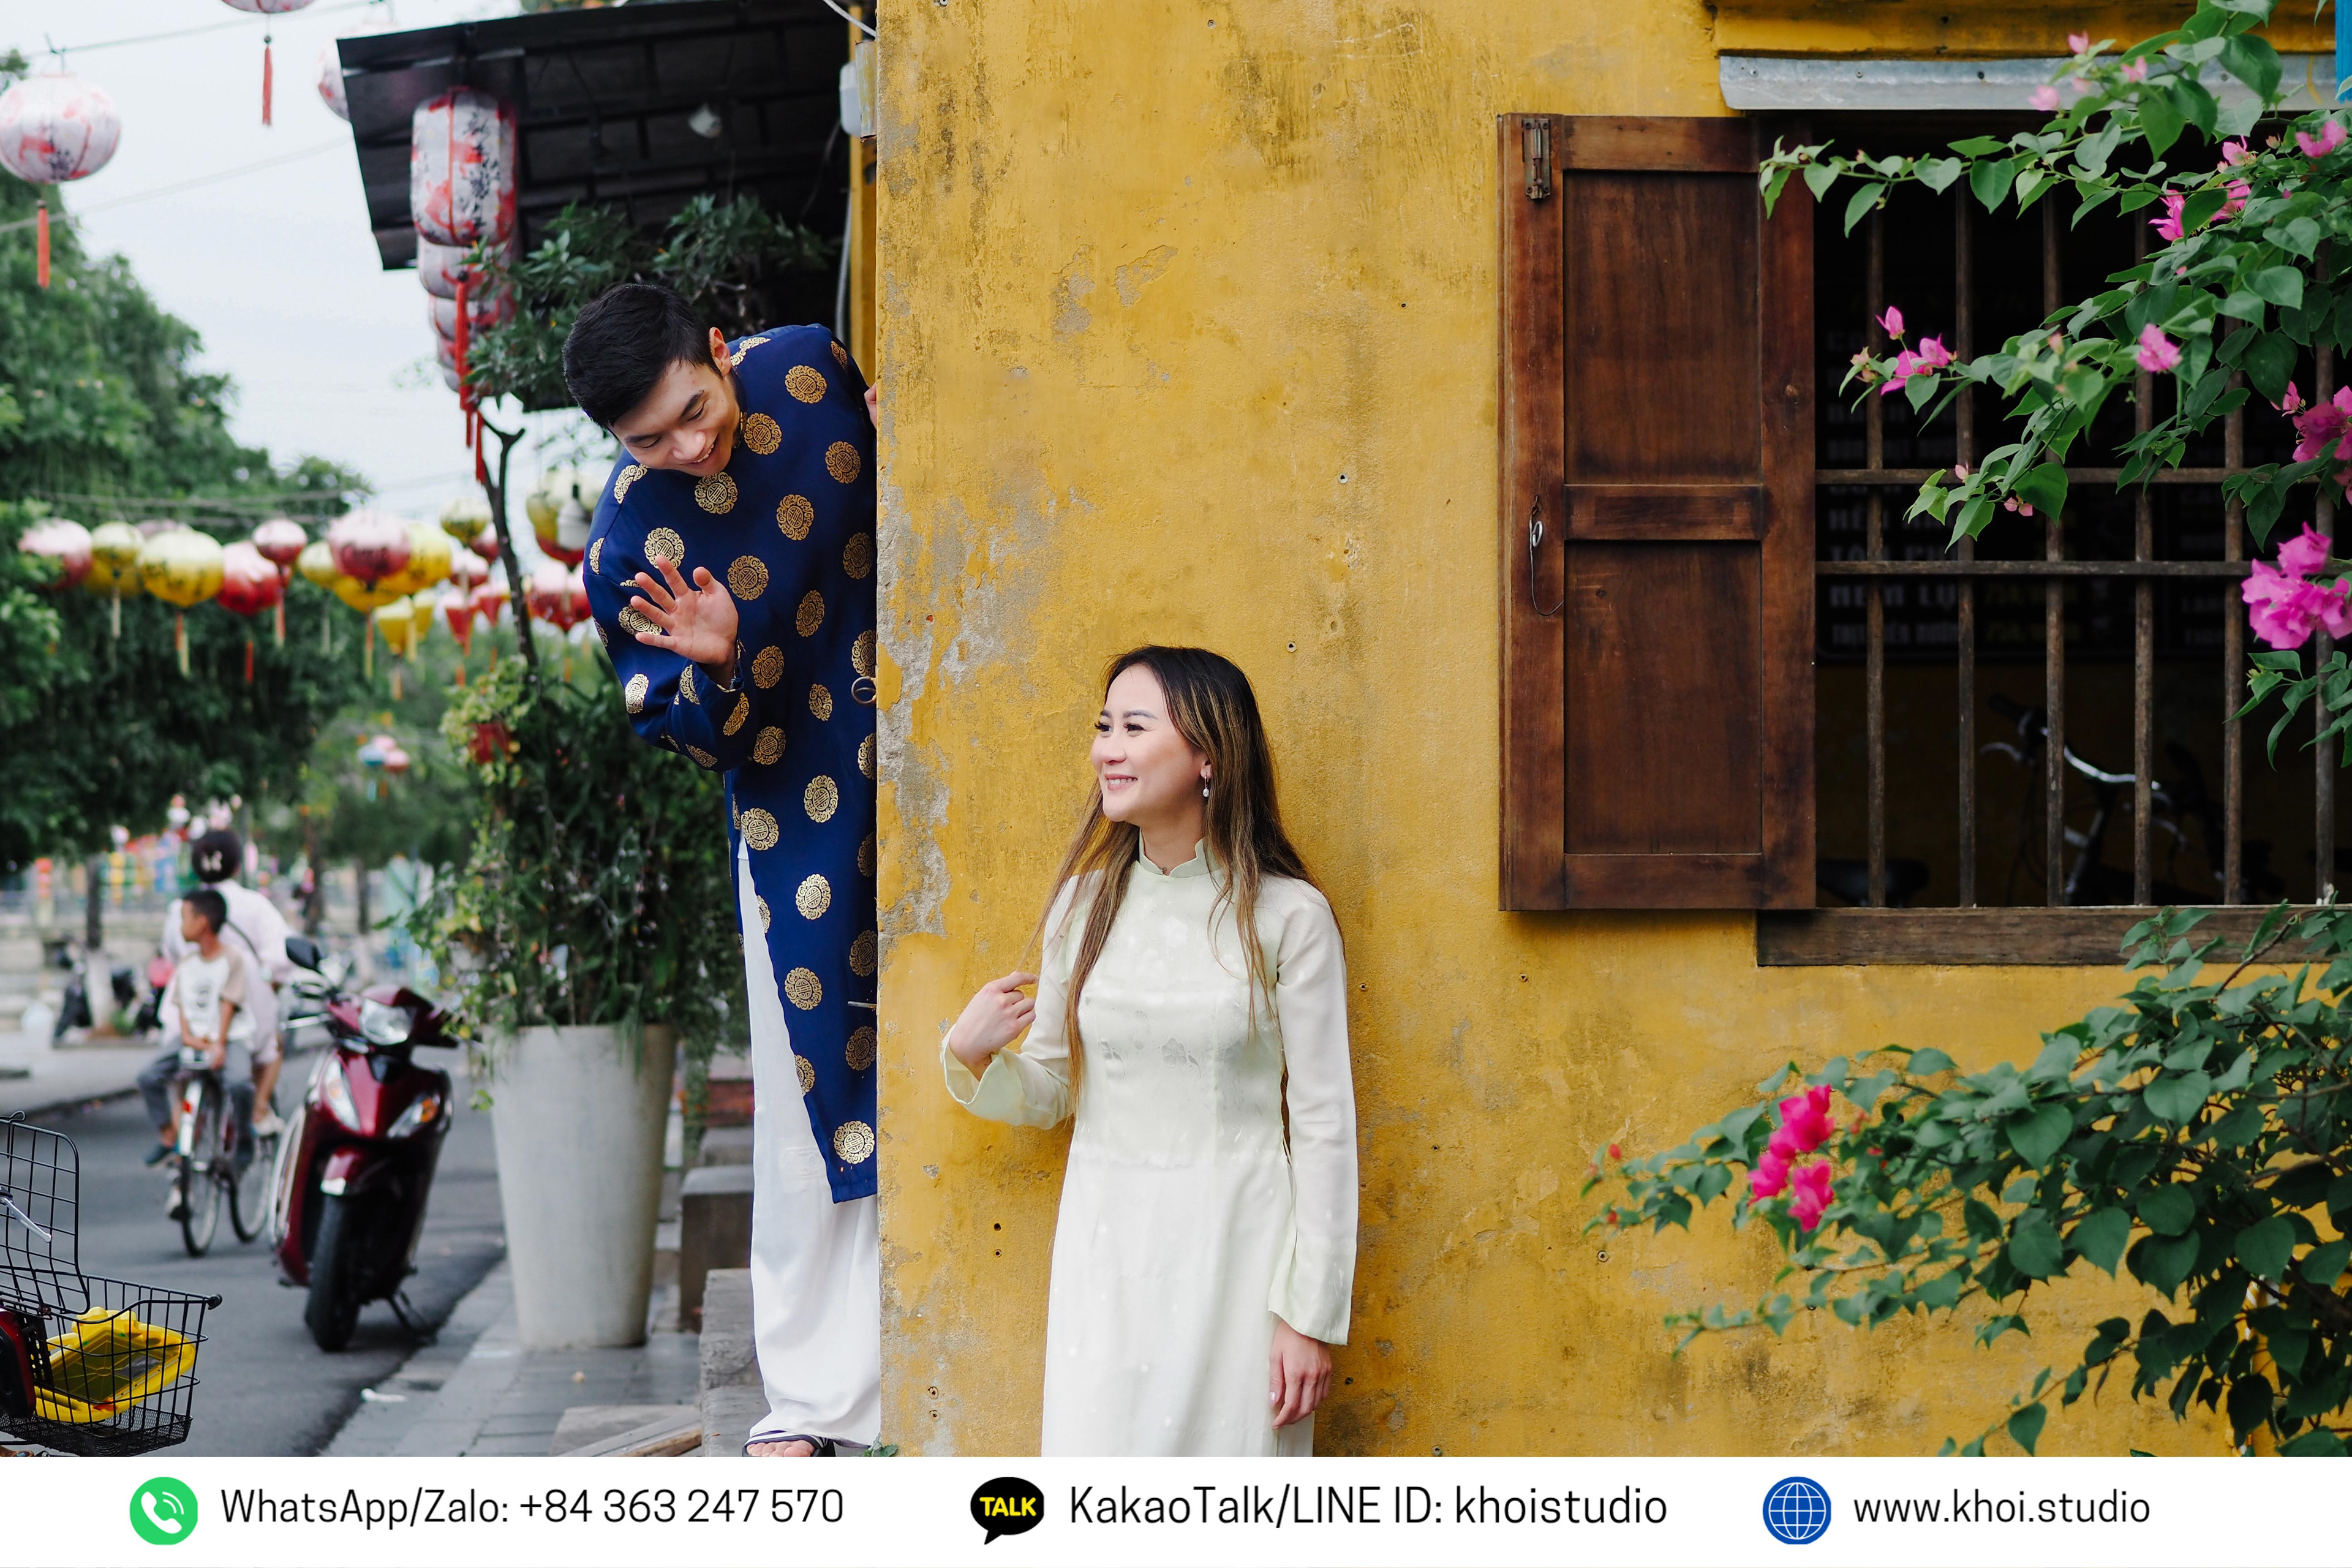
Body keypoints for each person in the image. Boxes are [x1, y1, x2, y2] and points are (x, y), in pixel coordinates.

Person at [569, 283, 880, 1457]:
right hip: (790, 813)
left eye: (695, 409)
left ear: (717, 349)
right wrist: (722, 665)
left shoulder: (811, 367)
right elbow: (685, 737)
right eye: (650, 439)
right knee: (813, 1093)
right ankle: (812, 1400)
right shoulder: (626, 550)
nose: (689, 447)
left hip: (927, 739)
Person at [941, 646, 1358, 1455]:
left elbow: (1324, 1126)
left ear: (1209, 756)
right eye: (1104, 728)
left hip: (1240, 1256)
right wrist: (972, 1057)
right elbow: (1054, 1089)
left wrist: (1309, 1316)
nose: (1108, 749)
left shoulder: (1287, 917)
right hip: (1107, 1257)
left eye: (1135, 727)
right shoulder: (1086, 904)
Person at [157, 830, 294, 1136]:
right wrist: (270, 986)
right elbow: (281, 957)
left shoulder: (180, 909)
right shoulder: (256, 905)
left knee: (180, 1073)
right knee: (272, 1046)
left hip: (191, 1012)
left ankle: (180, 1139)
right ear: (236, 865)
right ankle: (258, 1110)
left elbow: (170, 953)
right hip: (244, 1013)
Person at [137, 889, 255, 1188]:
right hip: (194, 1039)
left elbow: (229, 1004)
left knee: (240, 1082)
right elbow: (184, 1008)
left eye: (185, 918)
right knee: (148, 1076)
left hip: (230, 1037)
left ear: (202, 923)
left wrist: (218, 1043)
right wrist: (189, 1037)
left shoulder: (233, 959)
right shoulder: (188, 964)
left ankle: (244, 1138)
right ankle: (167, 1135)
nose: (180, 926)